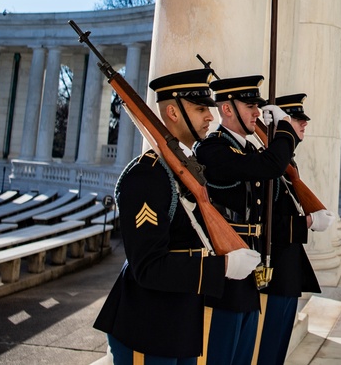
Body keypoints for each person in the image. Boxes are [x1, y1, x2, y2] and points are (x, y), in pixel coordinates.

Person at [94, 68, 261, 365]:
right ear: (172, 111)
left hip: (179, 327)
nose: (210, 116)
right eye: (200, 109)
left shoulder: (186, 170)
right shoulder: (148, 174)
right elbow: (148, 267)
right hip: (146, 329)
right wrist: (221, 266)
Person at [194, 75, 297, 365]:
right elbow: (272, 165)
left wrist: (282, 138)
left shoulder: (249, 150)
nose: (257, 113)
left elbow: (279, 174)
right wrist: (285, 127)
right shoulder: (213, 149)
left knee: (242, 354)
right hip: (227, 264)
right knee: (221, 353)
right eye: (250, 106)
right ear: (227, 109)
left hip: (249, 261)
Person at [256, 93, 335, 365]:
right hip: (273, 272)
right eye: (296, 119)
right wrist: (309, 222)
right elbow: (262, 222)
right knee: (265, 350)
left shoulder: (288, 162)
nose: (303, 124)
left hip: (286, 271)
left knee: (276, 349)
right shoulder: (267, 163)